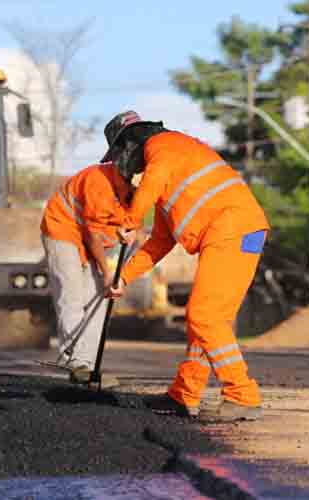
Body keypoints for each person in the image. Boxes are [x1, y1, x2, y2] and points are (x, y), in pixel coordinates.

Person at [103, 110, 269, 422]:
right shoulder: (169, 178)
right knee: (206, 320)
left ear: (129, 143)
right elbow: (158, 243)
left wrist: (130, 220)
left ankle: (242, 396)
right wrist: (122, 278)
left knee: (204, 315)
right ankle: (184, 394)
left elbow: (152, 182)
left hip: (234, 229)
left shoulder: (165, 146)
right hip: (234, 231)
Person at [39, 126, 144, 383]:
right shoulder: (100, 183)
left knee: (101, 296)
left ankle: (87, 362)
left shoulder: (135, 189)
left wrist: (130, 232)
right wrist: (108, 273)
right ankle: (75, 361)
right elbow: (93, 236)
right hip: (62, 230)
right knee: (72, 296)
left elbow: (128, 222)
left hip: (89, 238)